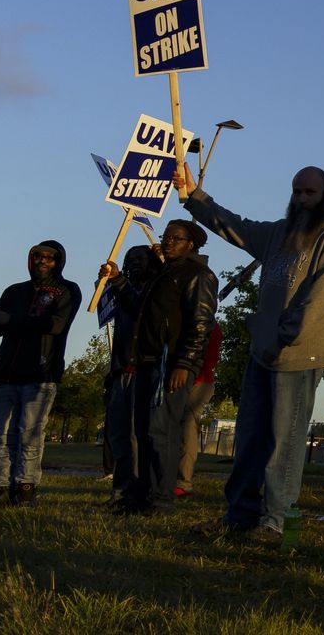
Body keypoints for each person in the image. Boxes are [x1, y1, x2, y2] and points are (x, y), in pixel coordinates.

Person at [178, 165, 324, 538]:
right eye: (297, 192)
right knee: (249, 436)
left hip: (299, 354)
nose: (302, 199)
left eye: (310, 192)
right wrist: (195, 198)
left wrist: (282, 336)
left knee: (286, 440)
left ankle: (276, 520)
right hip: (264, 352)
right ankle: (240, 515)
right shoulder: (280, 232)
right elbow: (236, 227)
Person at [100, 219, 217, 515]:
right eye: (166, 237)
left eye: (176, 238)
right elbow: (138, 306)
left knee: (160, 432)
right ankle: (138, 498)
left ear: (191, 244)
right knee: (141, 432)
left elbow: (201, 324)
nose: (168, 242)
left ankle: (162, 499)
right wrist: (117, 280)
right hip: (146, 362)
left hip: (172, 365)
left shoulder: (198, 275)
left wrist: (185, 363)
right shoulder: (163, 273)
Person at [0, 240, 82, 508]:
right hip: (7, 374)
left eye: (49, 257)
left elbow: (56, 325)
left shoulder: (67, 290)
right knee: (3, 435)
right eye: (37, 256)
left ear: (59, 262)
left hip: (41, 374)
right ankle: (1, 488)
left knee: (30, 434)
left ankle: (25, 487)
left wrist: (11, 321)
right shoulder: (15, 291)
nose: (42, 261)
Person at [102, 242, 159, 504]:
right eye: (130, 259)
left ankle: (137, 489)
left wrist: (118, 280)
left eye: (140, 259)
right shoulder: (121, 290)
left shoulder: (154, 289)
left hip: (141, 370)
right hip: (120, 369)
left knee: (137, 435)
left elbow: (141, 310)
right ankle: (120, 488)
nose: (134, 263)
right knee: (118, 435)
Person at [174, 317, 223, 497]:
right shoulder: (212, 326)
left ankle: (183, 480)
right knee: (185, 426)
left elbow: (208, 358)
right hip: (199, 378)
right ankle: (178, 477)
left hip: (197, 380)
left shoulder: (207, 326)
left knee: (187, 427)